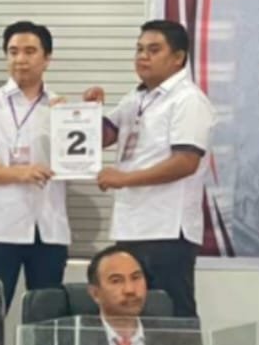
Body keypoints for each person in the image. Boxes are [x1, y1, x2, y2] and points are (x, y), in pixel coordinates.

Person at [83, 20, 215, 320]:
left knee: (171, 315)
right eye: (139, 49)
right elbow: (104, 136)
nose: (143, 56)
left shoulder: (188, 100)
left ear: (178, 57)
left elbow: (185, 162)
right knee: (133, 315)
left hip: (166, 228)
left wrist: (124, 179)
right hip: (131, 224)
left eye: (153, 50)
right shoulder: (137, 97)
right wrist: (89, 113)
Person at [0, 21, 70, 312]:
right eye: (13, 52)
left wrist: (86, 114)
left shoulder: (61, 108)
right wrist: (21, 173)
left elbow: (80, 159)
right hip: (0, 228)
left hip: (49, 227)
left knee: (47, 317)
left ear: (47, 58)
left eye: (30, 51)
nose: (20, 59)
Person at [74, 245, 202, 345]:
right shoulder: (75, 342)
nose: (130, 290)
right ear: (95, 293)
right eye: (116, 281)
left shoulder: (172, 340)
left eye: (136, 278)